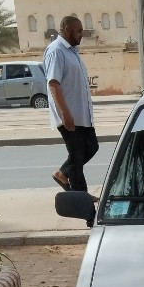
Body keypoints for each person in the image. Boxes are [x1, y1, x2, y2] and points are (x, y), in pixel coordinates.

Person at [43, 15, 98, 194]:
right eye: (79, 31)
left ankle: (62, 173)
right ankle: (81, 196)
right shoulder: (56, 51)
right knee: (77, 156)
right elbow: (53, 83)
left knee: (91, 147)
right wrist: (65, 114)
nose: (82, 34)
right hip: (69, 115)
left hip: (82, 114)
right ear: (67, 30)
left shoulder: (72, 51)